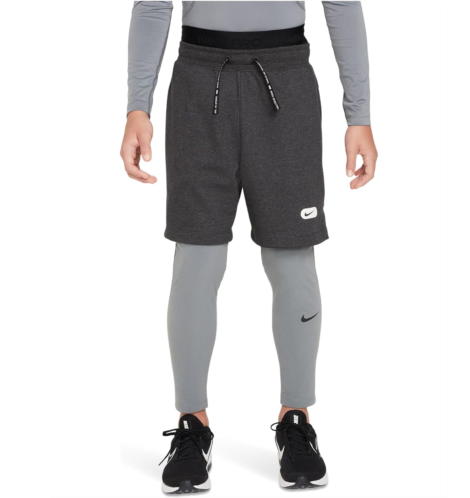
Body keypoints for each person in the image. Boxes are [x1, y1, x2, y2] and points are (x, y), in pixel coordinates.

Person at [121, 1, 378, 493]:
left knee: (292, 260)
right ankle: (192, 424)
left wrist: (359, 115)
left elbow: (341, 3)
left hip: (285, 81)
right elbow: (152, 4)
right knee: (196, 262)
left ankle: (295, 419)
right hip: (198, 83)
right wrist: (138, 106)